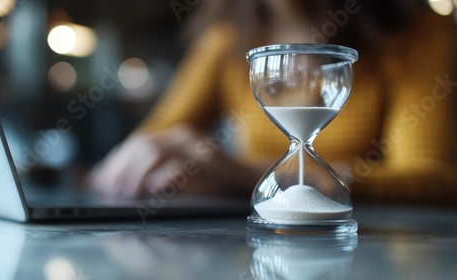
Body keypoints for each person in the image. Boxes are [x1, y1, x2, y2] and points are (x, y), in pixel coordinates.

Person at [87, 0, 457, 204]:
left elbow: (434, 177)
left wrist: (253, 174)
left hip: (384, 245)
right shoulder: (227, 38)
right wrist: (160, 158)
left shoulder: (420, 36)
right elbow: (158, 138)